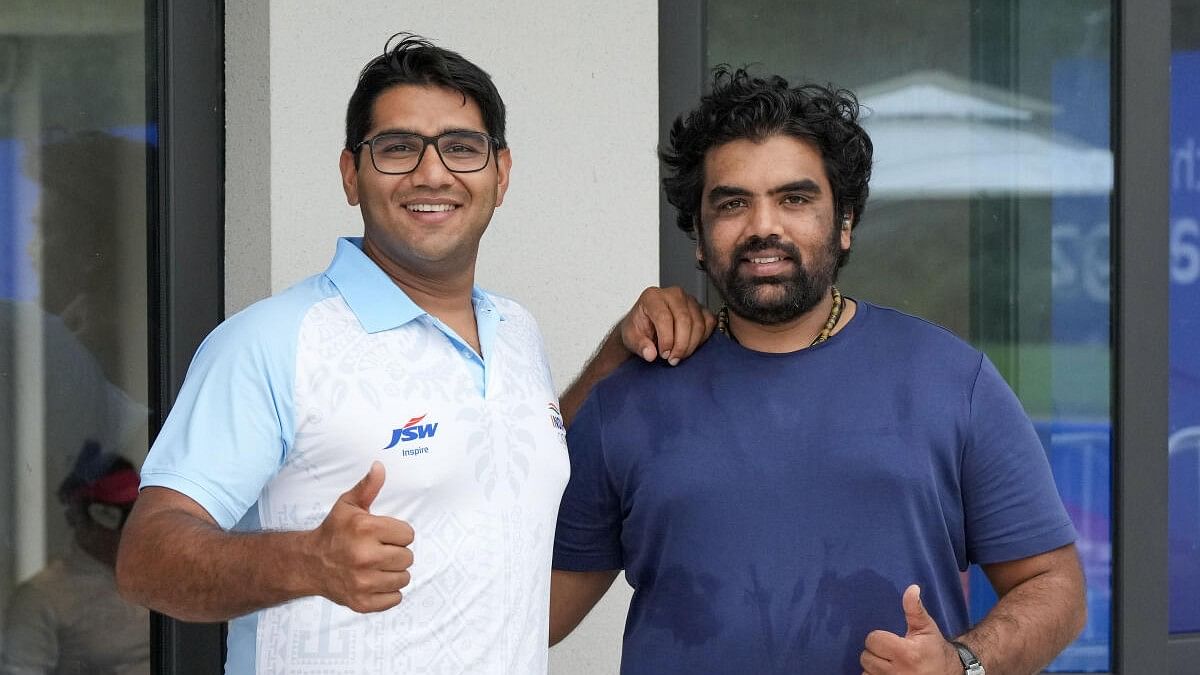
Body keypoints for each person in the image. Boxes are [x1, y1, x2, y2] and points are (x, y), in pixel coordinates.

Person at [114, 33, 708, 674]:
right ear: (351, 174)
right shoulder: (275, 341)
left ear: (501, 174)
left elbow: (510, 462)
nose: (432, 173)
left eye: (461, 148)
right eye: (398, 148)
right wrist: (305, 560)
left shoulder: (514, 330)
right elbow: (147, 559)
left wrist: (616, 354)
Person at [550, 68, 1087, 675]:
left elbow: (1055, 586)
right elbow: (538, 612)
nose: (763, 227)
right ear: (698, 237)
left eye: (795, 198)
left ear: (845, 222)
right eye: (732, 204)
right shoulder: (628, 396)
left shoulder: (950, 380)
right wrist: (612, 355)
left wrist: (962, 664)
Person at [2, 442, 149, 675]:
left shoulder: (156, 577)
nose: (131, 531)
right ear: (83, 517)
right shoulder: (42, 598)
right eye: (123, 517)